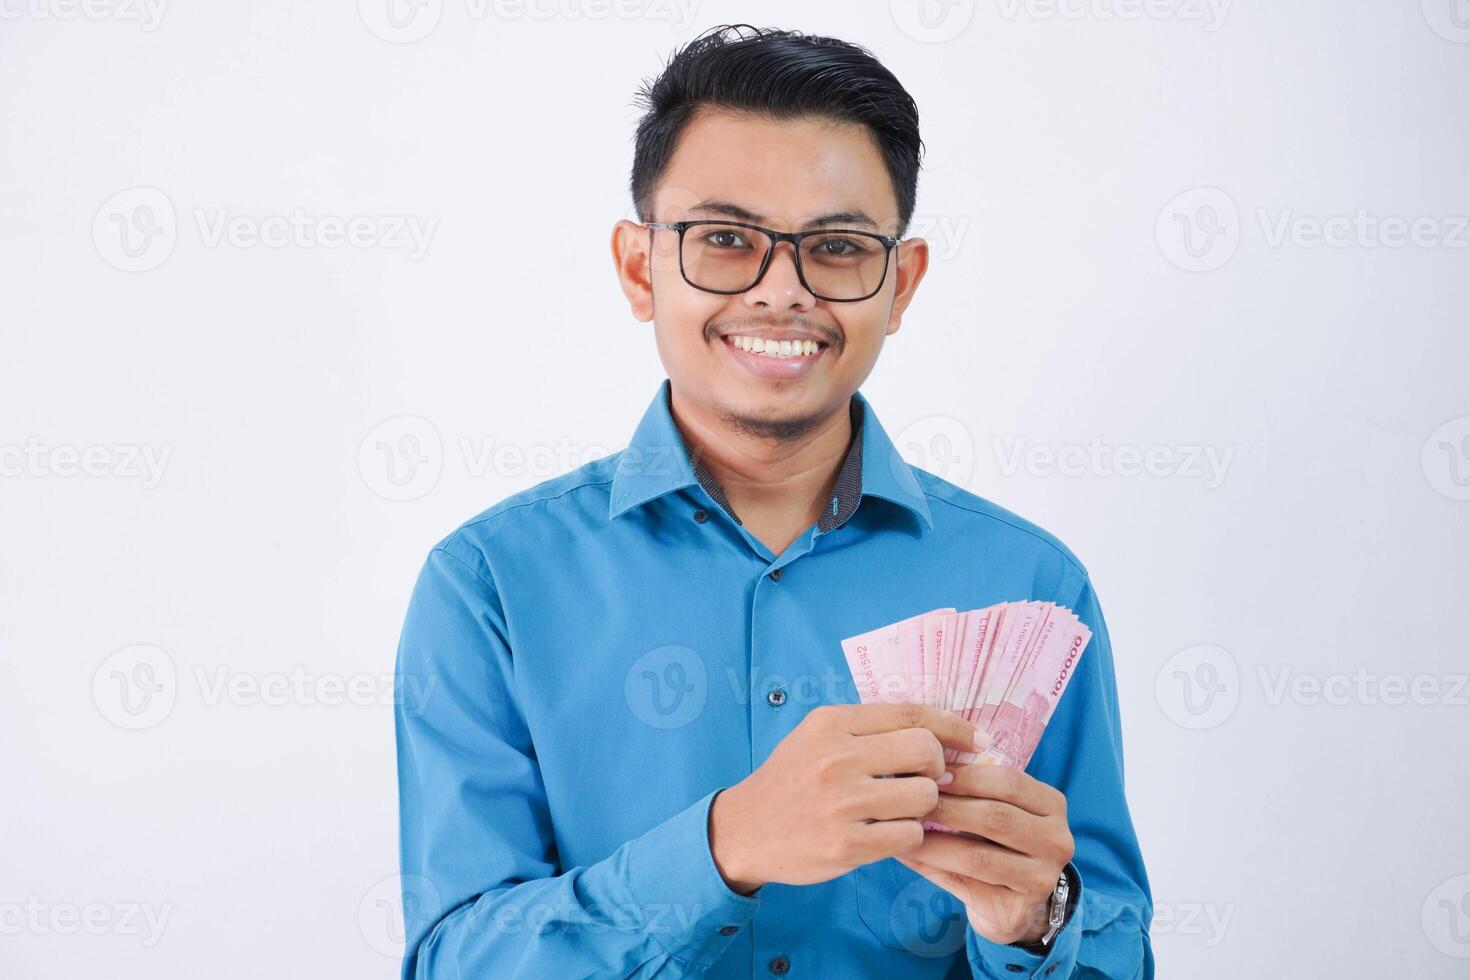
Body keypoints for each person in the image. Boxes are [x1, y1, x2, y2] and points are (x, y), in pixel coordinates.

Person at [394, 24, 1153, 979]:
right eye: (724, 239)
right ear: (640, 268)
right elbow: (454, 962)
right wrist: (722, 850)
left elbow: (1115, 951)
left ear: (901, 282)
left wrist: (1035, 927)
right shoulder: (491, 584)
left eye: (836, 247)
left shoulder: (1034, 585)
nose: (781, 291)